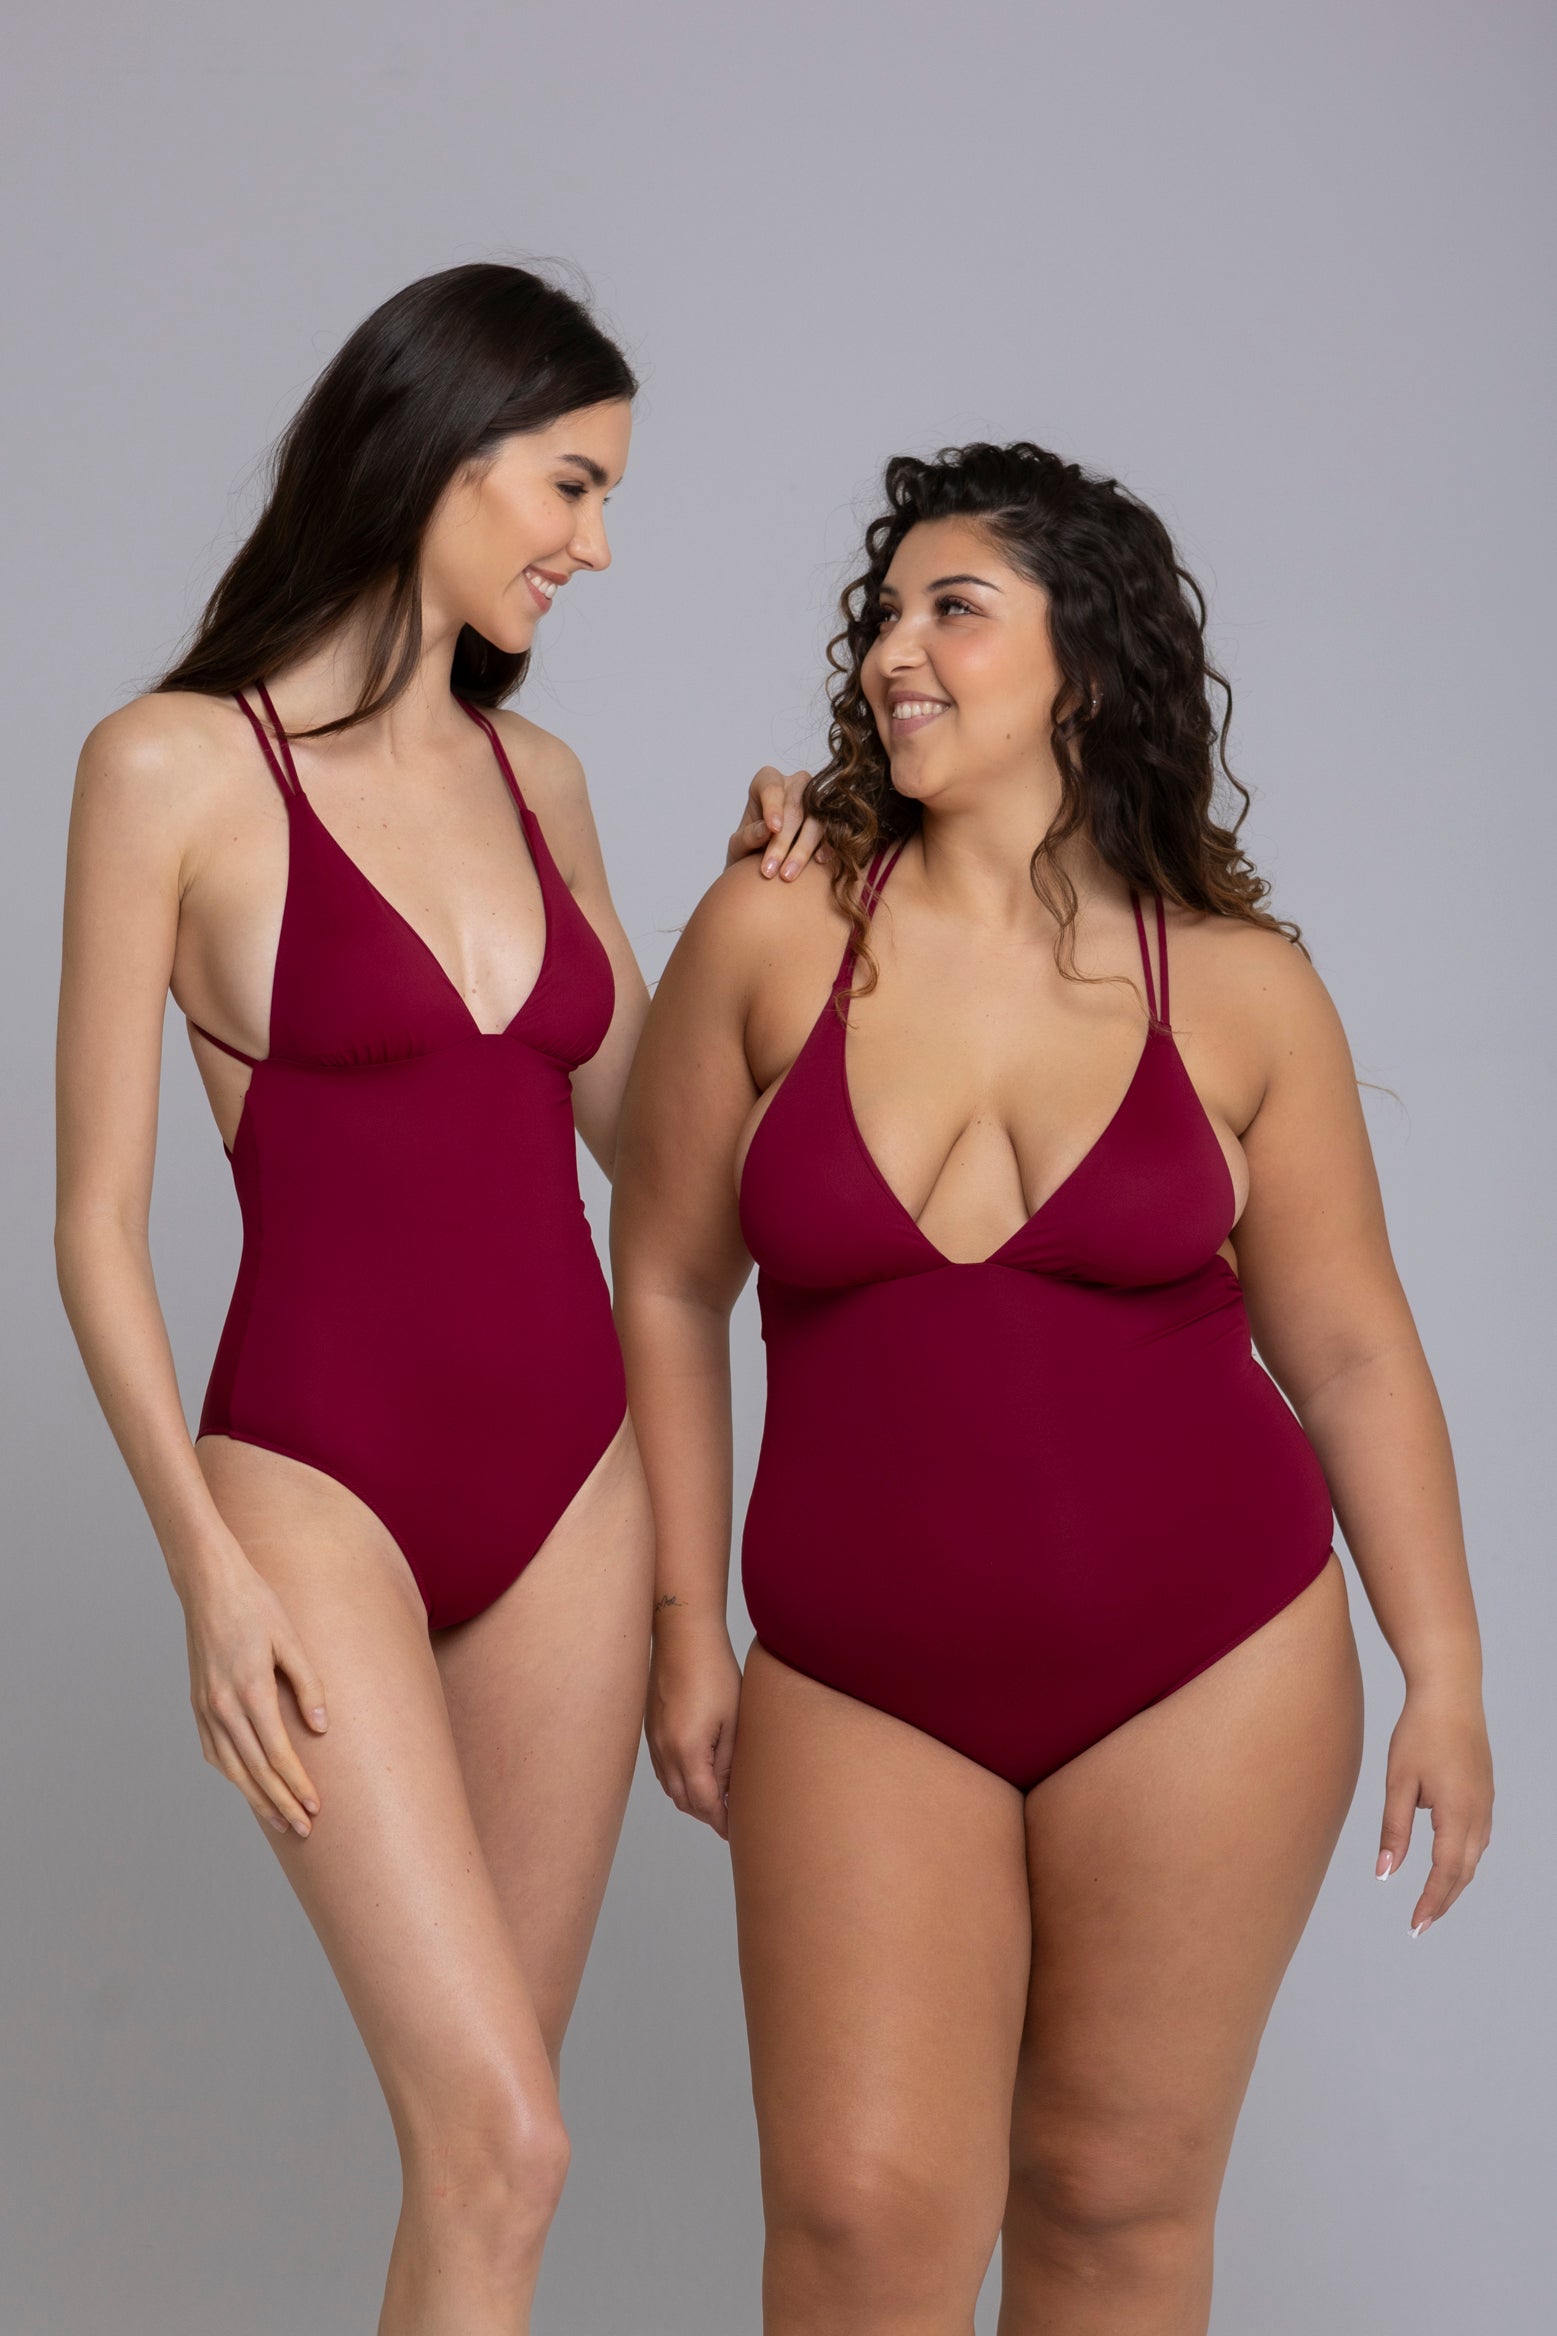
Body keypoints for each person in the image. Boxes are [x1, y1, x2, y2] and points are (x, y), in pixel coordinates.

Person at [613, 440, 1494, 2333]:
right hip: (858, 1680)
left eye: (955, 610)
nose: (892, 652)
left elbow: (1349, 1349)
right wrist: (684, 1626)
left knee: (1112, 2200)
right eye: (884, 614)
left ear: (1083, 664)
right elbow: (670, 1280)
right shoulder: (773, 930)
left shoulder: (1238, 989)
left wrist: (1445, 1668)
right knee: (855, 2225)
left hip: (1211, 1672)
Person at [53, 260, 809, 2336]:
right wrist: (206, 1572)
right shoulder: (168, 769)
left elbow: (666, 1153)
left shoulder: (536, 779)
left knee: (492, 2164)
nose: (595, 545)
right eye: (571, 484)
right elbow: (94, 1225)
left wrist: (762, 905)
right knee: (508, 2138)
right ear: (442, 448)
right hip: (314, 1485)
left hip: (575, 1491)